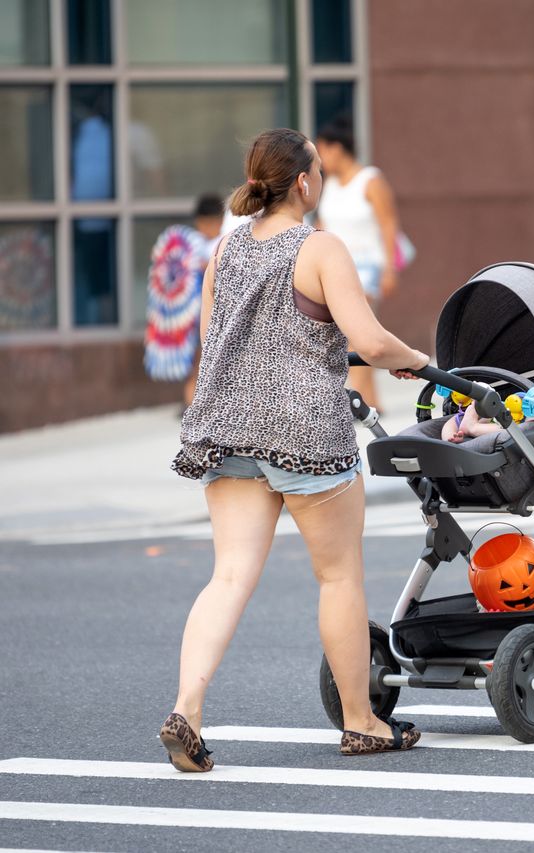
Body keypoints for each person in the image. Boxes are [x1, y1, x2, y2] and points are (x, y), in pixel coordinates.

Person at [163, 128, 432, 770]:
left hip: (225, 426)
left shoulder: (224, 250)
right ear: (306, 182)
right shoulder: (319, 248)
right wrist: (420, 361)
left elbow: (216, 340)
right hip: (305, 432)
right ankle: (362, 722)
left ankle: (187, 710)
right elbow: (368, 341)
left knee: (228, 576)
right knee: (338, 576)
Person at [315, 115, 404, 412]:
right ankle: (371, 401)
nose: (321, 157)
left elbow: (389, 224)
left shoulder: (370, 180)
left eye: (323, 149)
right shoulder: (328, 185)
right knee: (349, 333)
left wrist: (391, 268)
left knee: (357, 333)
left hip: (367, 265)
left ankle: (355, 398)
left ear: (337, 148)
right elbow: (322, 225)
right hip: (334, 265)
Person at [145, 194, 225, 407]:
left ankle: (196, 406)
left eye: (207, 223)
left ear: (218, 221)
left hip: (214, 315)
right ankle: (192, 406)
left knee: (206, 364)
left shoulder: (224, 242)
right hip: (193, 318)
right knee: (196, 364)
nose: (203, 228)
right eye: (200, 223)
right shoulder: (193, 243)